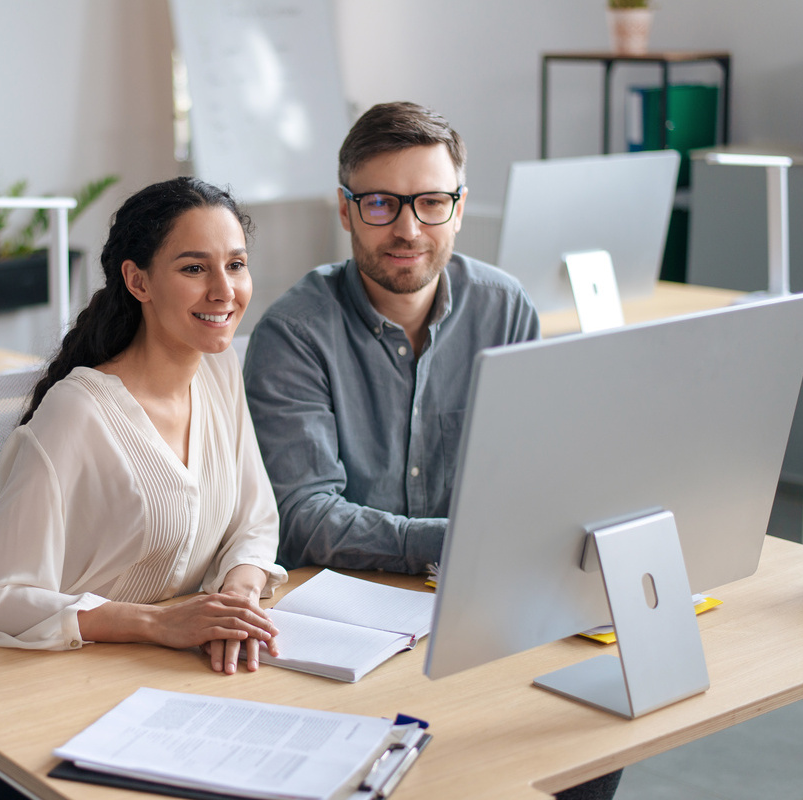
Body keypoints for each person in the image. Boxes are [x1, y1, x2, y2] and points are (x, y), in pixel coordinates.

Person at [242, 102, 620, 800]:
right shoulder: (294, 332)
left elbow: (533, 481)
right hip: (345, 625)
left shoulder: (504, 309)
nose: (409, 228)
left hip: (474, 611)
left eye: (431, 202)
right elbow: (306, 518)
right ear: (346, 210)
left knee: (586, 740)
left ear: (459, 206)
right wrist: (466, 540)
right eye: (382, 204)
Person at [0, 176, 287, 678]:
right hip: (65, 678)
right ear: (138, 281)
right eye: (195, 268)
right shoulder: (77, 413)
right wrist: (156, 623)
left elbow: (255, 519)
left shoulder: (218, 369)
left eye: (236, 265)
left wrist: (236, 602)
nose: (225, 290)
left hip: (178, 670)